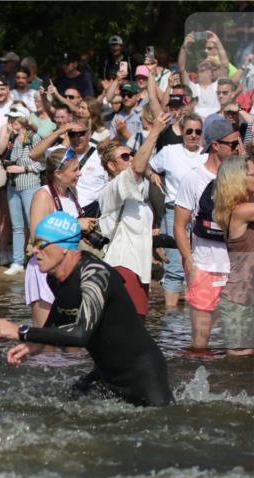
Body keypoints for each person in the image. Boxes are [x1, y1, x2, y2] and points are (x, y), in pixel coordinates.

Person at [0, 211, 172, 407]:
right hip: (106, 374)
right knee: (62, 408)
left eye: (41, 244)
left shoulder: (95, 275)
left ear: (64, 247)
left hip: (142, 375)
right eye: (33, 244)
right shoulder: (55, 277)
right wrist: (36, 343)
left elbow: (80, 334)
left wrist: (21, 331)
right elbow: (60, 317)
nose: (33, 250)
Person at [174, 119, 240, 350]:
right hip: (205, 268)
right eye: (232, 145)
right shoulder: (193, 178)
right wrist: (191, 264)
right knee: (200, 343)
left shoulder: (242, 178)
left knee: (239, 343)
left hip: (237, 271)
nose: (238, 149)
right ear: (215, 145)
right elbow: (179, 226)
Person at [95, 116, 169, 317]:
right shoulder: (111, 189)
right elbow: (138, 168)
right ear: (111, 165)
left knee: (136, 325)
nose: (131, 159)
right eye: (125, 157)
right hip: (122, 265)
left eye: (132, 154)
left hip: (140, 268)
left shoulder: (136, 195)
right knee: (127, 325)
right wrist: (154, 132)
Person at [26, 148, 94, 326]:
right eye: (74, 170)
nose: (79, 173)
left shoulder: (72, 193)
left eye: (79, 168)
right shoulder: (43, 195)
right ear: (57, 173)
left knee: (67, 333)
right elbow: (37, 238)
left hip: (67, 269)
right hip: (44, 269)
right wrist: (76, 225)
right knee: (44, 335)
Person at [148, 112, 206, 307]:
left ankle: (195, 310)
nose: (193, 135)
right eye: (189, 130)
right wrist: (152, 176)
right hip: (174, 209)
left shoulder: (207, 154)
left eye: (198, 131)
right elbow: (147, 166)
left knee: (198, 264)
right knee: (175, 265)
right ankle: (171, 315)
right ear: (181, 131)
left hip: (200, 213)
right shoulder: (170, 151)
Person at [0, 105, 43, 274]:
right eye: (10, 119)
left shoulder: (34, 137)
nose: (11, 121)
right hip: (12, 186)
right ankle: (17, 261)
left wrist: (23, 169)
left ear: (23, 120)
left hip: (29, 184)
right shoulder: (12, 138)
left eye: (14, 119)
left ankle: (40, 259)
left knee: (33, 224)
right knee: (17, 226)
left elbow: (43, 163)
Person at [216, 155, 254, 355]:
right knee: (239, 369)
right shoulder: (240, 212)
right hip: (240, 302)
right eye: (253, 174)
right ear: (238, 180)